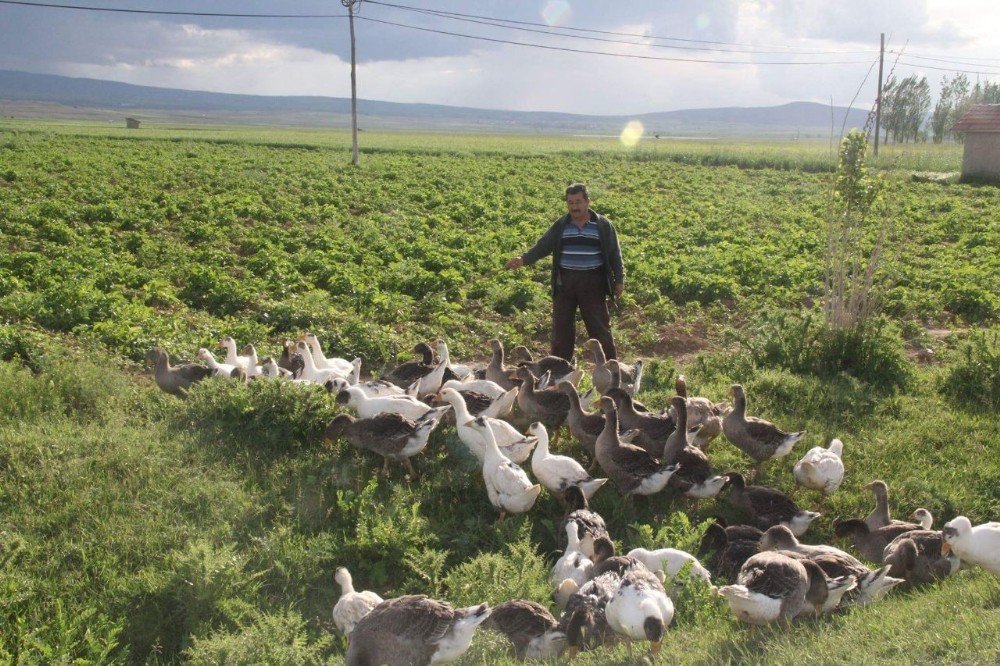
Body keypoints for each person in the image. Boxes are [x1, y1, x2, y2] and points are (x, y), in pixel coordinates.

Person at [504, 183, 624, 362]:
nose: (574, 206)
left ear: (587, 202)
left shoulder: (603, 225)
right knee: (561, 331)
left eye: (578, 202)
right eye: (570, 202)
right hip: (564, 283)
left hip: (593, 283)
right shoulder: (561, 225)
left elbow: (615, 254)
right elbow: (542, 247)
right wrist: (523, 260)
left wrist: (619, 280)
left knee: (599, 328)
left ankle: (611, 369)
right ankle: (559, 370)